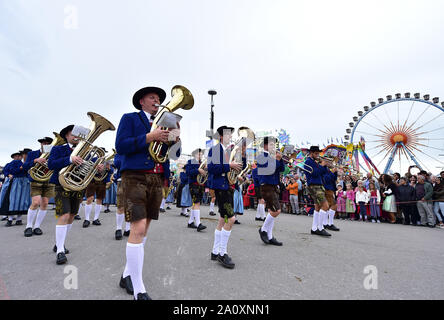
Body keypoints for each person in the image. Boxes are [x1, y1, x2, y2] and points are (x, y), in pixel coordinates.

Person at [115, 86, 181, 300]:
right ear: (141, 101)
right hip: (134, 176)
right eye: (153, 97)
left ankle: (126, 275)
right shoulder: (130, 118)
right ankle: (138, 287)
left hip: (155, 178)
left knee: (143, 230)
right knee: (138, 227)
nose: (157, 100)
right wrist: (149, 136)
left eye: (159, 98)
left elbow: (172, 154)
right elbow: (120, 145)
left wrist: (176, 139)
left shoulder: (163, 123)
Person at [48, 125, 89, 265]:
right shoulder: (58, 149)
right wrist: (70, 159)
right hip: (61, 185)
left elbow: (88, 168)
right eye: (73, 134)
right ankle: (60, 251)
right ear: (66, 135)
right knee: (63, 215)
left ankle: (60, 242)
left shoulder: (86, 150)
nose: (76, 136)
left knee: (71, 216)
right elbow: (51, 164)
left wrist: (96, 167)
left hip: (77, 186)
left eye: (78, 134)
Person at [208, 125, 242, 269]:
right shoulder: (215, 149)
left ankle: (215, 251)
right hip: (221, 189)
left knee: (223, 219)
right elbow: (212, 168)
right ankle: (222, 253)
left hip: (226, 187)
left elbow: (235, 166)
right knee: (230, 218)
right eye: (228, 135)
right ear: (221, 136)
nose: (231, 137)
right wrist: (229, 165)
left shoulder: (228, 151)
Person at [22, 137, 55, 237]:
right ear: (40, 144)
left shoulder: (53, 154)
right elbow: (25, 166)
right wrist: (35, 160)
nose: (45, 144)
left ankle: (37, 226)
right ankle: (28, 226)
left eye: (48, 143)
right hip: (36, 180)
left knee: (44, 204)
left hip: (48, 181)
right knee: (35, 202)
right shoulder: (32, 154)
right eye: (43, 142)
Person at [257, 136, 285, 245]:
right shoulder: (261, 156)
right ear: (265, 146)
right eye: (271, 145)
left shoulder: (273, 156)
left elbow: (282, 169)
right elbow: (269, 169)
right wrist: (277, 160)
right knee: (276, 211)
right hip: (266, 185)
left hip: (273, 186)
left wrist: (280, 159)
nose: (274, 147)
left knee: (271, 211)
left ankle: (270, 236)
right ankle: (263, 229)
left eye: (274, 145)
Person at [304, 146, 331, 236]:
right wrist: (321, 165)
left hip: (318, 185)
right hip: (314, 186)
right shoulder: (308, 161)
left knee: (318, 207)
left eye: (318, 153)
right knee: (325, 205)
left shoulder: (315, 162)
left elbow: (322, 173)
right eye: (316, 153)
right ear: (311, 153)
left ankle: (314, 228)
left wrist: (325, 166)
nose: (318, 155)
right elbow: (314, 173)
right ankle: (320, 227)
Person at [82, 150, 111, 228]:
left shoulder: (107, 161)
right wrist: (95, 167)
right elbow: (86, 168)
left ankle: (96, 219)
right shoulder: (93, 159)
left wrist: (108, 168)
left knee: (99, 199)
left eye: (103, 152)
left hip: (102, 181)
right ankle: (87, 219)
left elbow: (111, 171)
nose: (102, 154)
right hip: (92, 181)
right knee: (89, 198)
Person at [185, 148, 207, 231]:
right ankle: (198, 224)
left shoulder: (202, 163)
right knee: (197, 203)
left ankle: (190, 222)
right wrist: (198, 170)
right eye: (199, 154)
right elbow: (188, 172)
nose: (200, 155)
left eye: (201, 154)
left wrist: (205, 171)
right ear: (194, 155)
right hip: (193, 184)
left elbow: (206, 174)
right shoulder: (190, 162)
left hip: (201, 185)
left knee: (196, 204)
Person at [322, 165, 340, 230]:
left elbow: (334, 179)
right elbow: (326, 179)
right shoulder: (323, 169)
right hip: (327, 189)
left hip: (331, 189)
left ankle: (326, 223)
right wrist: (332, 172)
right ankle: (329, 224)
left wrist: (335, 173)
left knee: (328, 206)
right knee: (333, 206)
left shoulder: (328, 169)